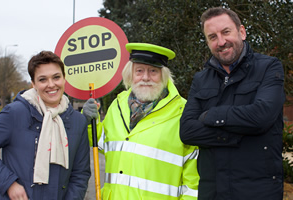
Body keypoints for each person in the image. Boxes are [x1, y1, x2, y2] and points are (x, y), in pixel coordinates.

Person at [180, 7, 285, 200]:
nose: (221, 42)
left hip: (259, 193)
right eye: (212, 37)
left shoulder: (269, 67)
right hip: (213, 193)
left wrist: (211, 116)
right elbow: (187, 131)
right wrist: (238, 135)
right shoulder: (201, 79)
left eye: (226, 32)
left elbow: (261, 117)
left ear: (242, 32)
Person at [83, 43, 199, 200]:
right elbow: (104, 144)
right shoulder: (117, 105)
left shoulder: (183, 112)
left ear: (164, 75)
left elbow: (193, 184)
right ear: (130, 74)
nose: (145, 77)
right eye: (139, 71)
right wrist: (90, 122)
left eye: (153, 71)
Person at [0, 51, 91, 199]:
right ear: (33, 84)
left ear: (64, 79)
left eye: (56, 77)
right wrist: (9, 184)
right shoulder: (15, 113)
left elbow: (80, 174)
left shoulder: (78, 121)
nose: (51, 85)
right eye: (43, 79)